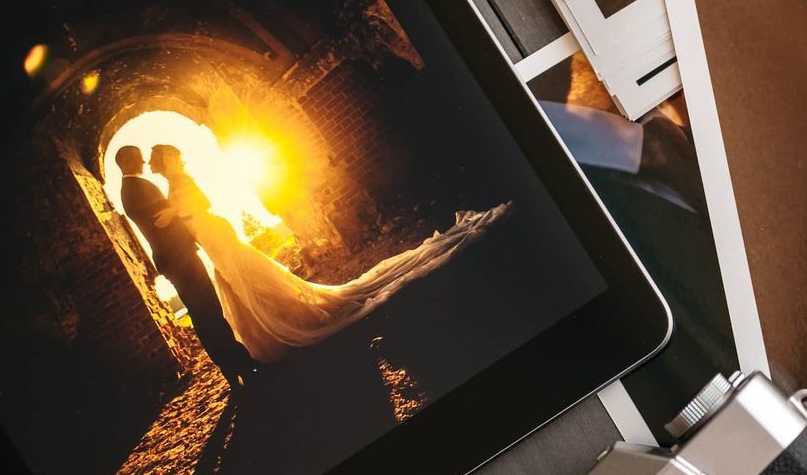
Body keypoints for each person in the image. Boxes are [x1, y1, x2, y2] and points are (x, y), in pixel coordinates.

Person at [148, 144, 510, 365]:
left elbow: (203, 204)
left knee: (248, 276)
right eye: (162, 160)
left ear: (167, 160)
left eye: (160, 158)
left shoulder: (181, 180)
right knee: (242, 280)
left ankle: (287, 320)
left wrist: (175, 214)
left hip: (215, 231)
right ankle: (272, 324)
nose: (162, 163)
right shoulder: (171, 183)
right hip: (210, 237)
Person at [115, 144, 257, 388]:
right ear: (127, 161)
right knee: (209, 310)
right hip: (178, 257)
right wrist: (175, 210)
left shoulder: (132, 188)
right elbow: (162, 220)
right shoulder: (136, 188)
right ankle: (241, 365)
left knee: (202, 313)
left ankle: (231, 370)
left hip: (174, 258)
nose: (143, 162)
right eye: (138, 158)